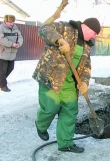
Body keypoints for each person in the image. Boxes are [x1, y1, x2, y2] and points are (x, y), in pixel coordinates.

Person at [32, 18, 101, 153]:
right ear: (86, 27)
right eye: (94, 33)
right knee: (50, 108)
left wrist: (85, 83)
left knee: (70, 111)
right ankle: (40, 125)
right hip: (52, 78)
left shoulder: (87, 45)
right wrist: (60, 40)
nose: (94, 36)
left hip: (69, 83)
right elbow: (43, 29)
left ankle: (65, 143)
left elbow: (86, 66)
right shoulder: (65, 28)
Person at [0, 14, 24, 92]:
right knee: (2, 71)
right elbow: (0, 39)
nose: (11, 24)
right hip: (2, 53)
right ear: (5, 21)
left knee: (11, 68)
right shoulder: (0, 28)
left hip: (12, 53)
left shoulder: (16, 29)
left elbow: (20, 37)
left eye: (12, 22)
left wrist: (18, 43)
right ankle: (3, 86)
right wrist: (11, 44)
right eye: (9, 22)